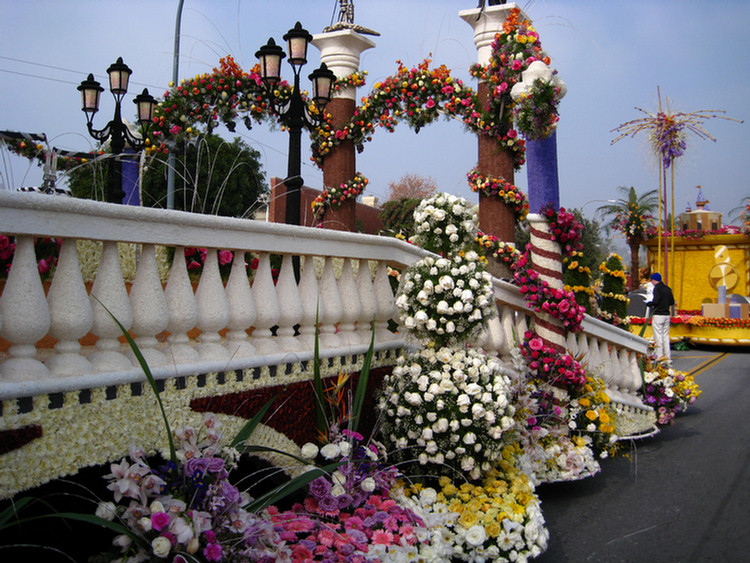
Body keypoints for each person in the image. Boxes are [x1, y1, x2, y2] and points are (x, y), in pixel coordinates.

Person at [646, 272, 675, 362]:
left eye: (652, 281)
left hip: (658, 314)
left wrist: (649, 303)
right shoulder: (668, 289)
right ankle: (667, 357)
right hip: (667, 315)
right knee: (665, 336)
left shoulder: (657, 288)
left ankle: (659, 357)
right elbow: (672, 302)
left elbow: (656, 301)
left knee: (658, 336)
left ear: (655, 280)